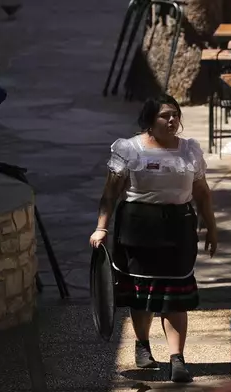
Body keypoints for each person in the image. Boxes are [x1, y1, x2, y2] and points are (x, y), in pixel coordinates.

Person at [89, 94, 217, 383]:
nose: (172, 120)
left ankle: (177, 359)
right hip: (137, 228)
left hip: (178, 229)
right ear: (150, 120)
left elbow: (202, 193)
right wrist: (101, 228)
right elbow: (110, 194)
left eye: (175, 115)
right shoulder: (129, 150)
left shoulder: (190, 151)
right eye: (165, 116)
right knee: (141, 294)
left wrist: (211, 226)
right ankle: (143, 344)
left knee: (175, 295)